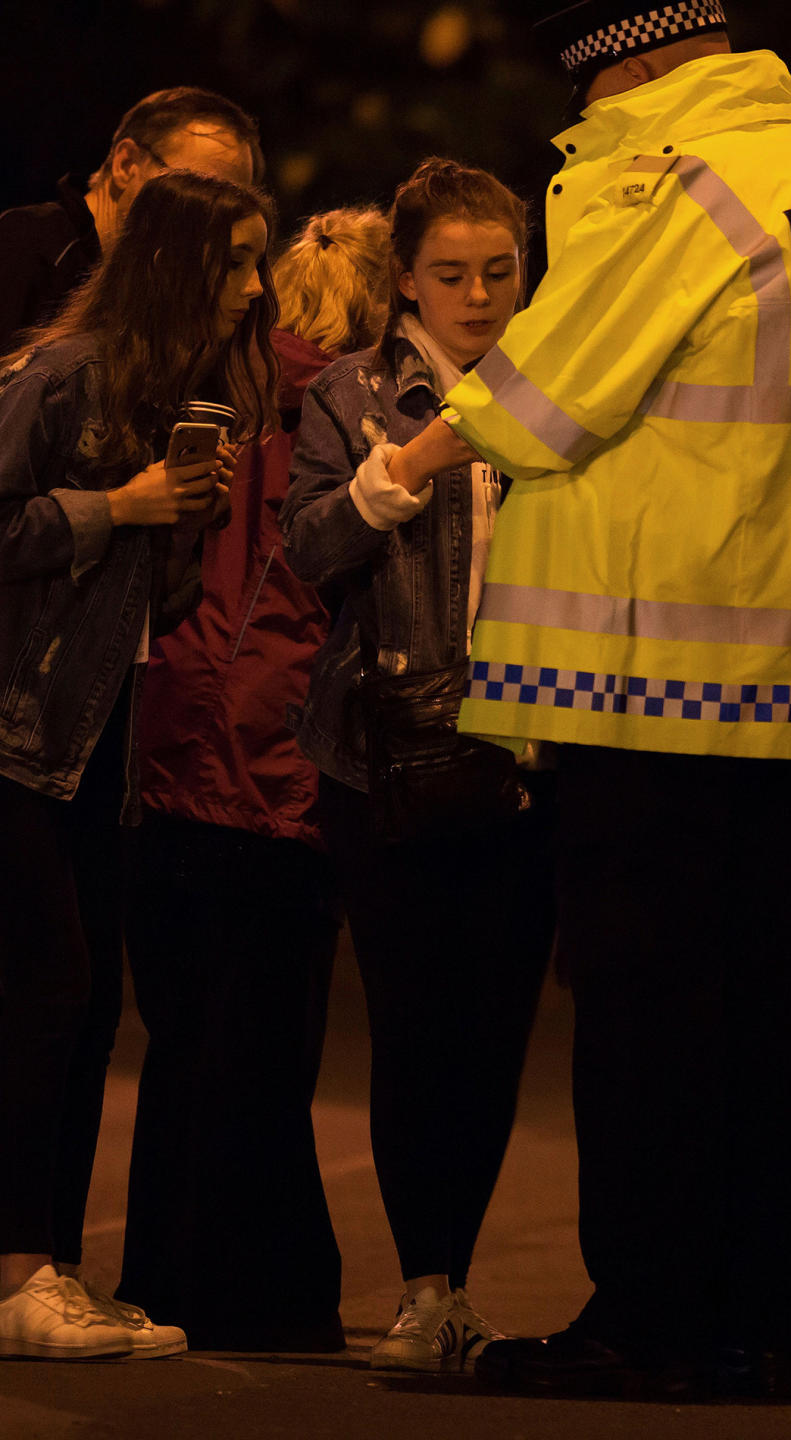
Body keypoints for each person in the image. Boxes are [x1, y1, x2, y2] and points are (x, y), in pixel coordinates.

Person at [393, 1, 791, 1401]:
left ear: (630, 63)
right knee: (771, 1008)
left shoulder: (678, 186)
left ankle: (645, 1319)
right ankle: (760, 1326)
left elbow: (544, 398)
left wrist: (409, 458)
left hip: (649, 675)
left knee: (645, 1012)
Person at [280, 158, 556, 1373]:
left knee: (496, 1028)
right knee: (413, 1020)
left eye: (502, 271)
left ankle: (457, 1277)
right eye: (452, 275)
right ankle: (424, 1284)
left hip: (531, 742)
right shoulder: (356, 392)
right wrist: (411, 461)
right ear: (407, 280)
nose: (481, 297)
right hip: (387, 748)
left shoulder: (562, 386)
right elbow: (309, 542)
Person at [0, 168, 278, 1359]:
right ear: (175, 267)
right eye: (237, 263)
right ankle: (19, 1276)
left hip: (87, 743)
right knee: (42, 987)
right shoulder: (59, 375)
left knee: (81, 1001)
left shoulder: (171, 387)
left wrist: (175, 525)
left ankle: (45, 1266)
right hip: (15, 734)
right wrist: (120, 505)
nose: (254, 291)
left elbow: (129, 601)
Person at [116, 207, 390, 1353]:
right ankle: (264, 1293)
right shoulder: (361, 423)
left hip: (165, 747)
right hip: (283, 773)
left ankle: (162, 1275)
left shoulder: (207, 400)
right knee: (267, 1053)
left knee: (181, 1041)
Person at [0, 86, 262, 352]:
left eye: (234, 206)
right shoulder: (22, 243)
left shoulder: (173, 286)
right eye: (197, 189)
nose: (219, 218)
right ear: (126, 165)